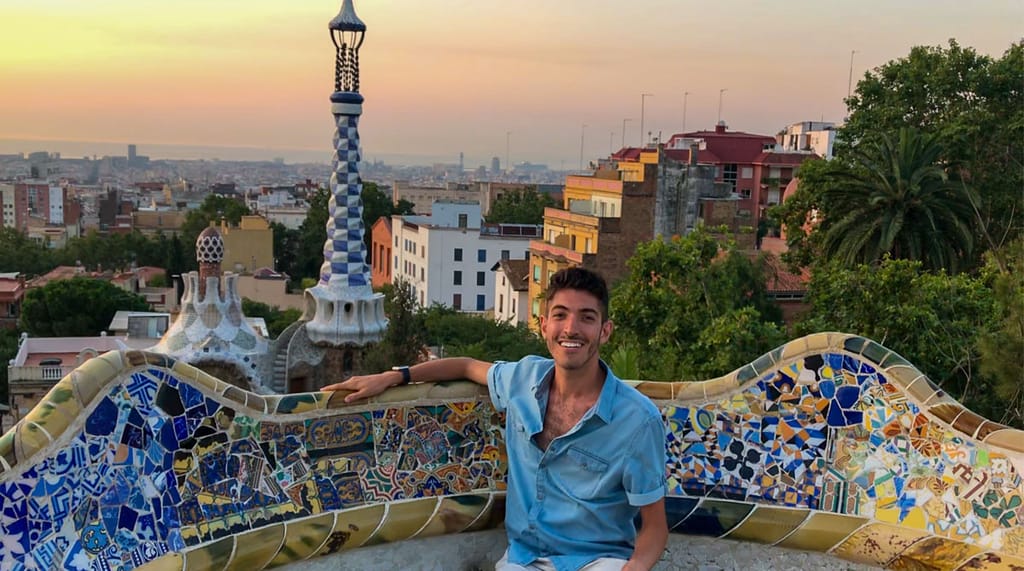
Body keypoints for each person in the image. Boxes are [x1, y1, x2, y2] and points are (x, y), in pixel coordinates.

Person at [323, 267, 668, 571]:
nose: (571, 328)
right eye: (560, 315)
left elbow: (654, 526)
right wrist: (394, 376)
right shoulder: (523, 378)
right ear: (543, 324)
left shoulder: (636, 420)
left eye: (587, 318)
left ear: (605, 331)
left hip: (597, 559)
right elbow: (466, 366)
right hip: (525, 558)